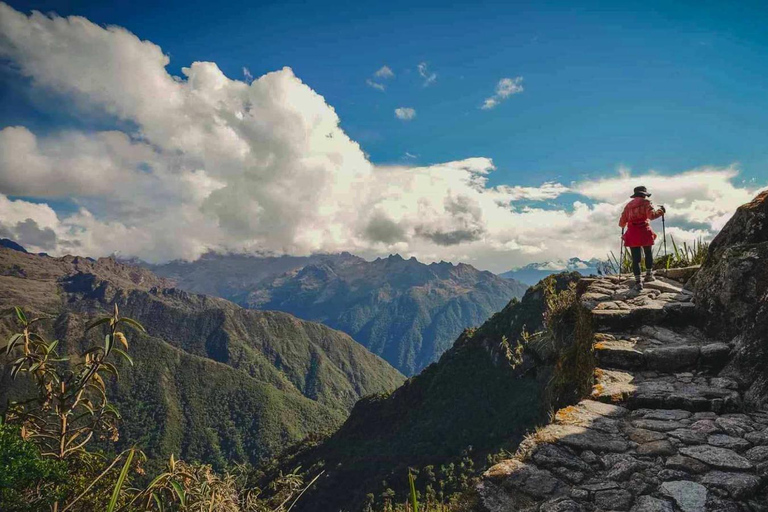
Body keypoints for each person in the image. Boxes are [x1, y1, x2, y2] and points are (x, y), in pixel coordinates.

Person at [619, 186, 666, 290]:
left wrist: (625, 224)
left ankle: (638, 282)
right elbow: (651, 216)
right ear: (644, 194)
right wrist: (661, 211)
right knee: (648, 253)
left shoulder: (628, 205)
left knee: (636, 259)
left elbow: (622, 222)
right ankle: (649, 275)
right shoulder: (646, 203)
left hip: (632, 233)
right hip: (644, 231)